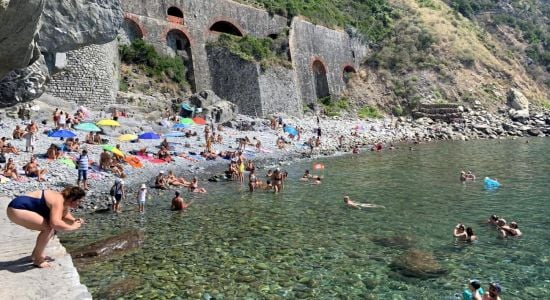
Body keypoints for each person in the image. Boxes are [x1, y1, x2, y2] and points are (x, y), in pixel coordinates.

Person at [6, 186, 86, 268]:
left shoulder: (63, 201)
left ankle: (35, 255)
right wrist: (72, 227)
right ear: (72, 199)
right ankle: (38, 259)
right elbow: (55, 223)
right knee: (48, 228)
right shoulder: (58, 201)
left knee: (49, 228)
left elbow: (64, 214)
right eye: (79, 201)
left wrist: (74, 220)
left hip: (16, 207)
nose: (80, 204)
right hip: (17, 209)